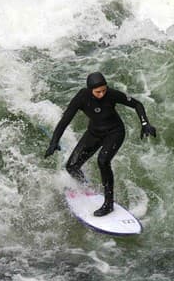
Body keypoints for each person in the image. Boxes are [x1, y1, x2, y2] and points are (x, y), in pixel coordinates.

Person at [44, 71, 156, 217]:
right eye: (98, 92)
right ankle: (85, 187)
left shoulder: (111, 94)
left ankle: (109, 204)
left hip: (115, 132)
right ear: (90, 90)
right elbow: (65, 119)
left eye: (104, 90)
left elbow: (137, 104)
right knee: (71, 166)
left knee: (103, 161)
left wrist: (145, 123)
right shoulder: (82, 97)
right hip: (94, 133)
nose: (102, 94)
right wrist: (54, 141)